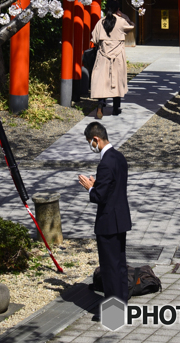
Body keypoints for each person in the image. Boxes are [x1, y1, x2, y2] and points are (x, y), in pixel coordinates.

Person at [78, 121, 131, 304]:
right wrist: (97, 186)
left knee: (109, 268)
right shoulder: (119, 157)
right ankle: (122, 303)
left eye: (90, 142)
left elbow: (100, 196)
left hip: (108, 223)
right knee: (120, 266)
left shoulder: (105, 164)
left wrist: (91, 189)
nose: (90, 146)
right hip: (121, 219)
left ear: (96, 139)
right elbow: (112, 188)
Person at [90, 2, 134, 119]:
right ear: (118, 10)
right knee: (117, 81)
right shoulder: (121, 22)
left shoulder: (101, 22)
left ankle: (100, 106)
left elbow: (94, 39)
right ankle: (115, 108)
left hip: (103, 57)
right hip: (117, 57)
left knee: (101, 81)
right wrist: (125, 17)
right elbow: (132, 27)